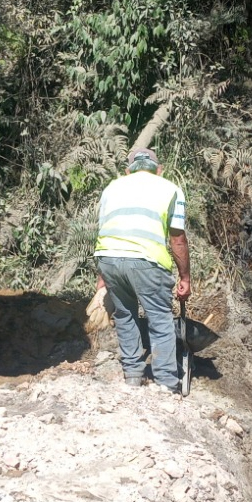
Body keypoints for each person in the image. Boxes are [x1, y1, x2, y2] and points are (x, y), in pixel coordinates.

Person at [93, 147, 192, 393]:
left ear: (127, 171)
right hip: (147, 262)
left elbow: (105, 231)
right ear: (159, 170)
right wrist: (185, 277)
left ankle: (133, 377)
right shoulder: (170, 189)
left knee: (125, 315)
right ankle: (166, 385)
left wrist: (102, 277)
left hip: (109, 259)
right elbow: (177, 238)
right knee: (160, 319)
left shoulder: (112, 188)